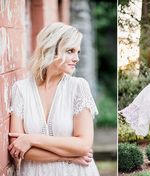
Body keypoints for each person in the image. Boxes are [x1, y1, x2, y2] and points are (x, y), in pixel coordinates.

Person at [9, 22, 100, 176]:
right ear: (50, 49)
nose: (76, 58)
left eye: (78, 51)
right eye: (70, 51)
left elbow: (83, 145)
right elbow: (18, 148)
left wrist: (31, 139)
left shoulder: (78, 87)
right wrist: (67, 155)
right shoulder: (21, 89)